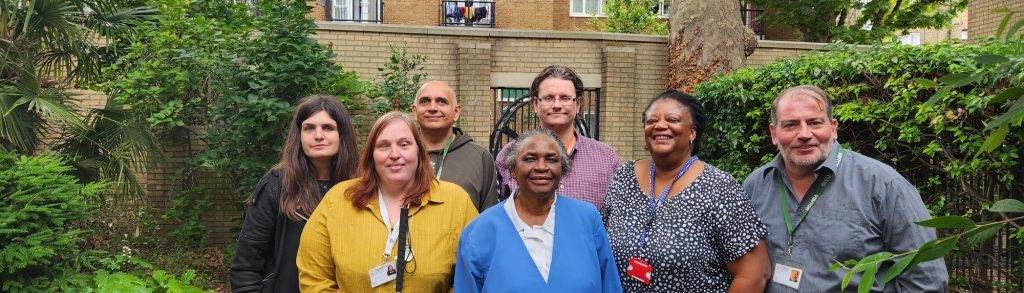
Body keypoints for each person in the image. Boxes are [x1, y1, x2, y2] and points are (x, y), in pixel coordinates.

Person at [742, 85, 947, 292]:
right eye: (791, 125)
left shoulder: (884, 186)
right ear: (774, 133)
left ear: (833, 128)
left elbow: (925, 280)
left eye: (814, 122)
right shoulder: (755, 186)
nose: (804, 134)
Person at [601, 89, 770, 292]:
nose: (660, 125)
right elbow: (601, 246)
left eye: (672, 119)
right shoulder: (624, 176)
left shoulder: (719, 187)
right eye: (651, 120)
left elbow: (754, 273)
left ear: (692, 132)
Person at [297, 111, 479, 292]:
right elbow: (314, 278)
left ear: (419, 151)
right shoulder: (338, 201)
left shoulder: (455, 202)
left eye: (404, 144)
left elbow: (475, 275)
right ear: (371, 155)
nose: (394, 154)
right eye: (383, 146)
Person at [455, 129, 621, 292]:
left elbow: (610, 286)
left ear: (562, 170)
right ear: (513, 170)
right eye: (530, 158)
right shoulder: (479, 232)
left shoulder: (588, 220)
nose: (542, 167)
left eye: (551, 159)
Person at [230, 95, 359, 293]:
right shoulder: (276, 185)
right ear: (299, 135)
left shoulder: (361, 187)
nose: (318, 135)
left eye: (328, 127)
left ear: (343, 134)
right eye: (309, 128)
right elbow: (247, 266)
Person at [495, 65, 621, 209]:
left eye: (565, 98)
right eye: (549, 98)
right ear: (535, 104)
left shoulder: (607, 158)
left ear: (578, 104)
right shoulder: (509, 154)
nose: (557, 105)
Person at [412, 80, 499, 211]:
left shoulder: (480, 158)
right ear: (415, 110)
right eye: (425, 101)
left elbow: (489, 215)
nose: (433, 108)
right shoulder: (399, 155)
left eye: (442, 101)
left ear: (456, 112)